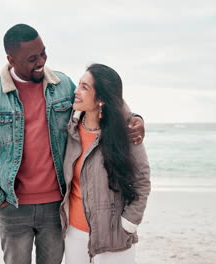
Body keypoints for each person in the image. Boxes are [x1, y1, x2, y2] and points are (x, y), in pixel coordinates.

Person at [0, 24, 145, 264]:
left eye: (43, 53)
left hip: (57, 207)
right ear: (11, 59)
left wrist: (134, 118)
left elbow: (101, 101)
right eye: (32, 58)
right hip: (13, 206)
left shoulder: (62, 85)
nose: (41, 61)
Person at [60, 63, 151, 264]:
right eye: (79, 84)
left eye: (85, 87)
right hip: (74, 233)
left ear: (101, 99)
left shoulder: (125, 132)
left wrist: (128, 224)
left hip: (114, 234)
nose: (76, 91)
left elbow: (142, 181)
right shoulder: (71, 128)